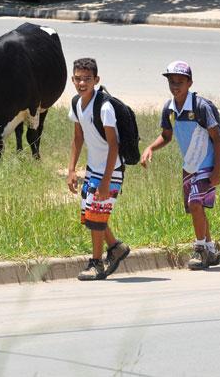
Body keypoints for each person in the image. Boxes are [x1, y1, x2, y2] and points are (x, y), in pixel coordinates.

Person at [140, 61, 220, 269]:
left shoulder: (201, 107)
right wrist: (150, 147)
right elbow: (166, 136)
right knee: (197, 208)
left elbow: (217, 138)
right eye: (171, 82)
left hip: (207, 162)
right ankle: (211, 250)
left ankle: (200, 249)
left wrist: (217, 169)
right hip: (189, 165)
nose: (175, 86)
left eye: (180, 82)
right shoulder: (169, 108)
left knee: (196, 204)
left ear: (190, 83)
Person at [67, 57, 130, 281]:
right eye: (78, 79)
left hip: (111, 171)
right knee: (91, 216)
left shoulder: (104, 107)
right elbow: (77, 137)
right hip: (93, 169)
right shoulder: (76, 103)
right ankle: (115, 247)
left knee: (96, 217)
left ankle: (96, 264)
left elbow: (114, 144)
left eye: (87, 79)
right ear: (72, 79)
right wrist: (72, 169)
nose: (82, 83)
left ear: (96, 80)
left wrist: (105, 181)